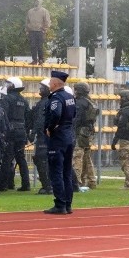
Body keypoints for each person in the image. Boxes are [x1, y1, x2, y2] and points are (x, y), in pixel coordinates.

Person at [43, 70, 76, 214]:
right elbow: (74, 114)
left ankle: (60, 204)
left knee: (56, 172)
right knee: (67, 172)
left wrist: (50, 127)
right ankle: (68, 204)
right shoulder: (70, 97)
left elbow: (56, 113)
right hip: (69, 136)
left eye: (50, 82)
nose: (49, 84)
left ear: (56, 83)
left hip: (58, 138)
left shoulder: (56, 98)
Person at [0, 77, 30, 192]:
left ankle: (3, 185)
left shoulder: (7, 99)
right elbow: (28, 118)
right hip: (21, 131)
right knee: (21, 158)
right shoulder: (24, 100)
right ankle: (26, 184)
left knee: (7, 159)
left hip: (10, 131)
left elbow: (4, 115)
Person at [111, 89, 129, 190]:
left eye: (121, 98)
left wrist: (114, 141)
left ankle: (128, 184)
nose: (119, 100)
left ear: (124, 99)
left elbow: (121, 126)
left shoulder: (125, 111)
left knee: (125, 162)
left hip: (125, 139)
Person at [72, 82, 98, 189]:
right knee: (87, 158)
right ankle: (91, 181)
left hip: (80, 133)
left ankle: (77, 181)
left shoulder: (79, 103)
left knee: (77, 157)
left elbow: (76, 119)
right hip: (88, 132)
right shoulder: (90, 102)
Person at [28, 78, 53, 194]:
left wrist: (32, 132)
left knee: (41, 160)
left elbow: (39, 120)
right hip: (50, 137)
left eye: (43, 88)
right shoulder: (51, 101)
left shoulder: (45, 103)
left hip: (44, 137)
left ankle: (47, 186)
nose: (40, 90)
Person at [25, 0, 51, 65]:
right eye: (35, 1)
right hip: (32, 31)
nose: (35, 2)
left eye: (37, 1)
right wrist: (27, 30)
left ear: (40, 2)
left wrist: (44, 29)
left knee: (40, 46)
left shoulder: (44, 11)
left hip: (40, 31)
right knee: (32, 46)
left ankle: (41, 60)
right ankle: (34, 60)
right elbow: (27, 21)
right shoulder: (30, 11)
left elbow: (47, 22)